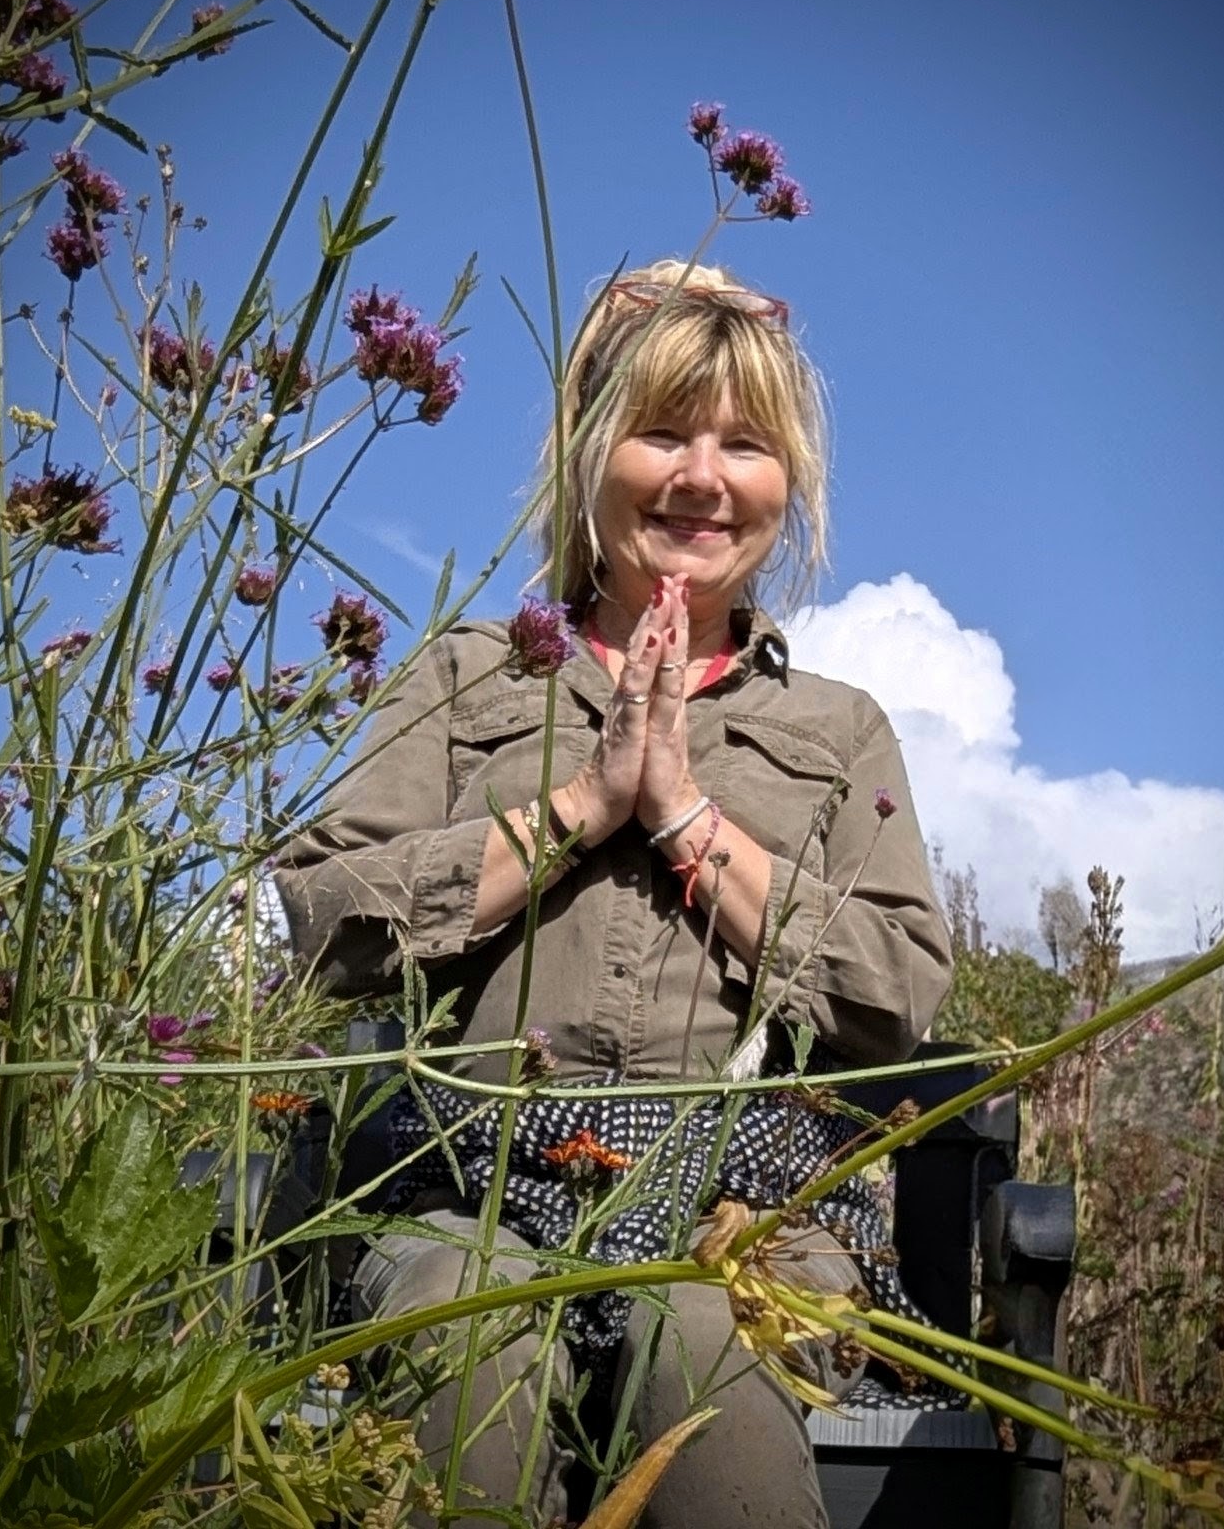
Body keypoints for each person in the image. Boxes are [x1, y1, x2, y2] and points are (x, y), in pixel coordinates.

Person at [275, 259, 953, 1529]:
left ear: (788, 484)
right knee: (473, 1343)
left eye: (744, 444)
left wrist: (685, 817)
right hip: (464, 1194)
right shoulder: (467, 678)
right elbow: (323, 920)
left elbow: (896, 992)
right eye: (659, 431)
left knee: (698, 1351)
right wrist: (582, 807)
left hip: (739, 1216)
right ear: (588, 452)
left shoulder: (838, 728)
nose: (701, 477)